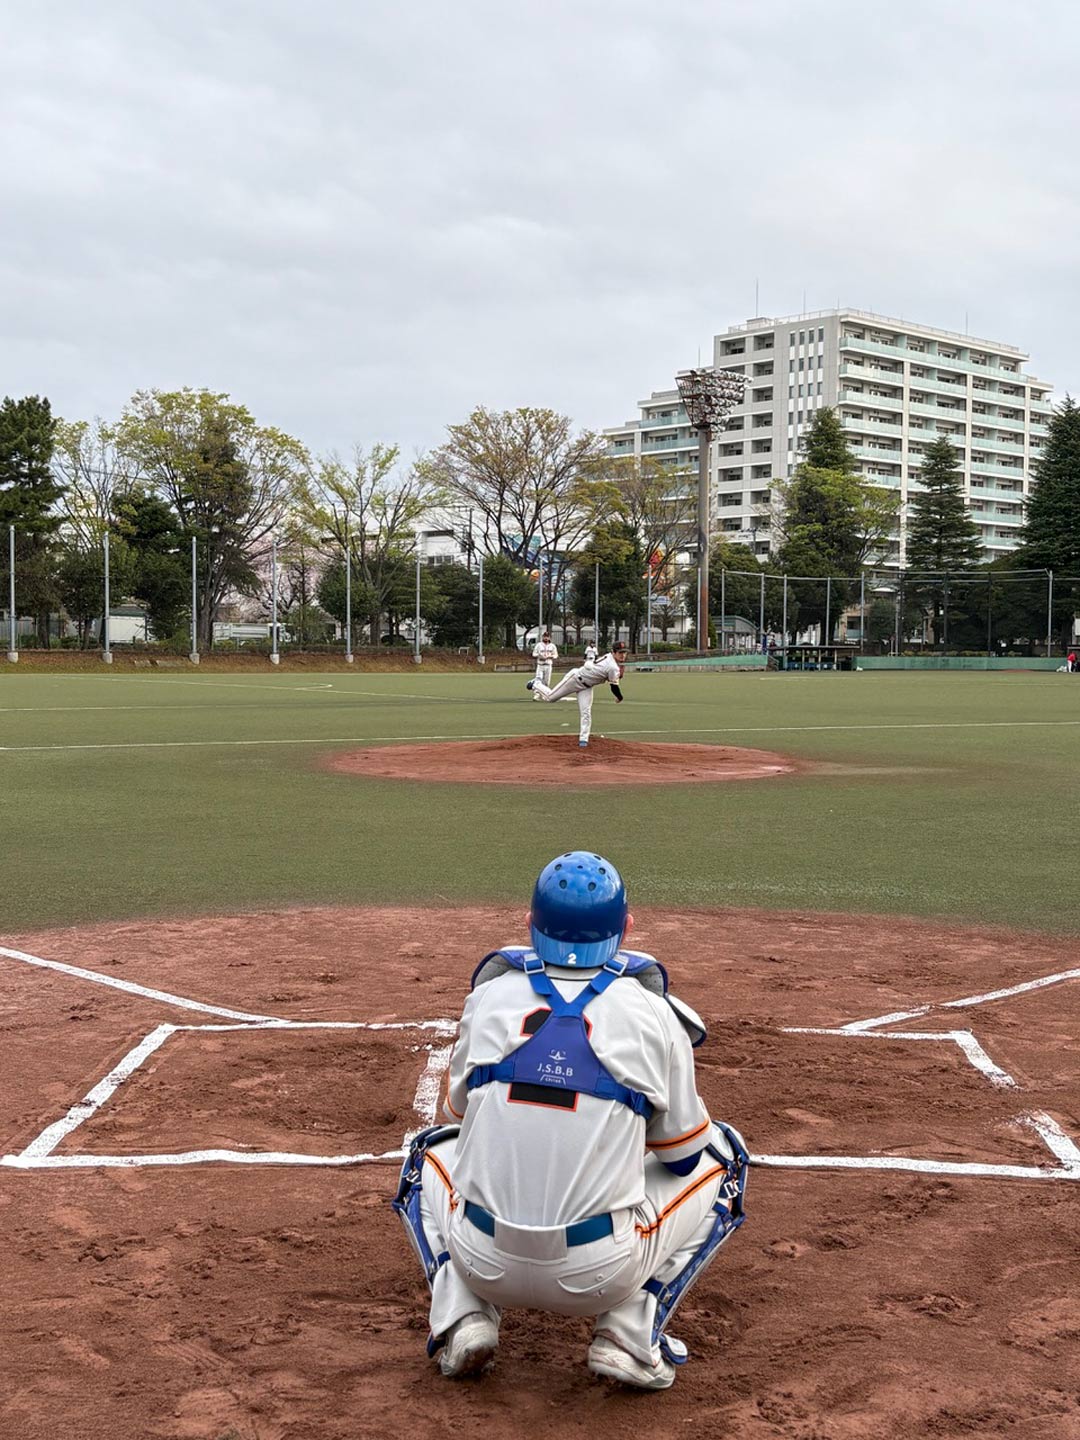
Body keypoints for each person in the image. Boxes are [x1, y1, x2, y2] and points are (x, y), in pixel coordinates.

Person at [392, 852, 748, 1390]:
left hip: (480, 1259)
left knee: (428, 1151)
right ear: (626, 929)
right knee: (726, 1158)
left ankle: (462, 1316)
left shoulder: (486, 998)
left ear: (530, 925)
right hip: (599, 1273)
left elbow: (456, 1122)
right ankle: (630, 1334)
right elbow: (681, 1158)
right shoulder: (655, 1014)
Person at [526, 640, 627, 747]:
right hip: (574, 679)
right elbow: (614, 687)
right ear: (613, 652)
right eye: (620, 652)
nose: (623, 655)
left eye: (624, 652)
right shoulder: (613, 667)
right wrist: (619, 697)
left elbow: (605, 673)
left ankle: (583, 740)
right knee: (550, 698)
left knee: (586, 712)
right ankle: (536, 684)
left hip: (586, 687)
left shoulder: (610, 659)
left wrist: (615, 676)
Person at [531, 631, 558, 697]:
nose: (546, 638)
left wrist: (550, 656)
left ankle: (544, 694)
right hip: (540, 665)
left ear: (549, 638)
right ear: (543, 637)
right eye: (545, 637)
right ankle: (537, 694)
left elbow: (556, 655)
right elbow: (534, 654)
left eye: (547, 637)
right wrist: (539, 656)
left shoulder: (552, 646)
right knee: (538, 679)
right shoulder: (539, 645)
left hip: (548, 665)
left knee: (546, 681)